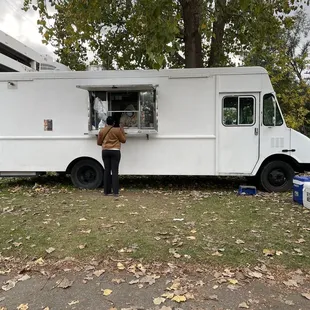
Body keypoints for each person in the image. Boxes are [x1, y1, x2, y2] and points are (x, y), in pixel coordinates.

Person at [97, 116, 126, 198]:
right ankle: (115, 192)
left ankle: (106, 191)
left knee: (106, 171)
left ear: (106, 123)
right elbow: (123, 140)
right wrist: (122, 131)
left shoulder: (102, 131)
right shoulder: (117, 131)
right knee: (115, 171)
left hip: (105, 151)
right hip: (115, 151)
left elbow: (99, 143)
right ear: (114, 123)